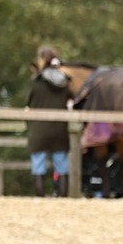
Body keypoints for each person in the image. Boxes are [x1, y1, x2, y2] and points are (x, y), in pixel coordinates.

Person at [25, 45, 71, 197]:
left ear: (43, 59)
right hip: (59, 129)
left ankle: (41, 199)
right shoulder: (65, 82)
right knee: (62, 166)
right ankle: (63, 200)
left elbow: (29, 103)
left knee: (38, 165)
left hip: (39, 129)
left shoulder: (37, 82)